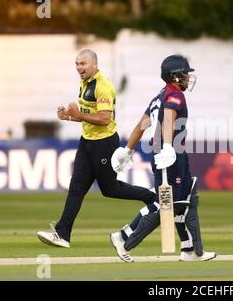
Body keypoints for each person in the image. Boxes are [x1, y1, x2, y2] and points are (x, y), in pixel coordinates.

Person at [37, 49, 156, 248]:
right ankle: (62, 233)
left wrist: (79, 115)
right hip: (87, 143)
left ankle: (151, 198)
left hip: (104, 144)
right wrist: (69, 115)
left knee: (110, 189)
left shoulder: (103, 86)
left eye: (83, 64)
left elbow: (104, 118)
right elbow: (89, 113)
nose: (79, 68)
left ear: (94, 65)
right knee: (76, 188)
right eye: (77, 64)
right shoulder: (85, 83)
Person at [109, 54, 216, 262]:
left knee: (185, 201)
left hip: (173, 153)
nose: (188, 77)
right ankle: (123, 237)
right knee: (165, 204)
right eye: (185, 73)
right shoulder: (174, 95)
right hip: (169, 156)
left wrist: (127, 150)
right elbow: (168, 119)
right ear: (175, 76)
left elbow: (142, 125)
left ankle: (189, 250)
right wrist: (168, 147)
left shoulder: (159, 96)